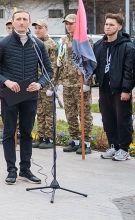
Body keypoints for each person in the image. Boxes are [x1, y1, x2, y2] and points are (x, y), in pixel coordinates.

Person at [0, 10, 51, 185]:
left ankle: (25, 169)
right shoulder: (3, 44)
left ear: (29, 23)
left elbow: (48, 71)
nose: (21, 22)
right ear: (13, 23)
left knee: (27, 133)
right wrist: (5, 81)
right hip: (10, 95)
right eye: (18, 19)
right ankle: (11, 170)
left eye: (25, 20)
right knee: (9, 132)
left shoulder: (37, 45)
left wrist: (40, 83)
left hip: (29, 94)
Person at [92, 13, 134, 162]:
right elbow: (93, 64)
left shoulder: (127, 46)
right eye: (106, 24)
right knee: (107, 119)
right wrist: (84, 70)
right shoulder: (99, 45)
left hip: (119, 89)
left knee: (122, 119)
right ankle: (114, 146)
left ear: (119, 27)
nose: (107, 27)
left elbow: (130, 70)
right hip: (104, 88)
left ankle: (124, 149)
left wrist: (126, 90)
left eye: (111, 24)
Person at [56, 14, 93, 155]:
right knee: (70, 114)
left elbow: (89, 62)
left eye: (71, 23)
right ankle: (75, 140)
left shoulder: (85, 40)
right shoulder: (63, 40)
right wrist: (59, 80)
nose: (68, 25)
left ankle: (86, 142)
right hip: (67, 83)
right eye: (66, 23)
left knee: (84, 114)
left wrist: (88, 82)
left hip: (80, 83)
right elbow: (60, 62)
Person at [32, 19, 58, 149]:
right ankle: (41, 136)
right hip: (36, 83)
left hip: (46, 83)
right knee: (40, 112)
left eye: (40, 28)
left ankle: (50, 138)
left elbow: (53, 67)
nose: (37, 30)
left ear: (46, 29)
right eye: (36, 28)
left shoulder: (51, 45)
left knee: (49, 113)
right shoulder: (34, 43)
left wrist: (51, 86)